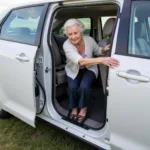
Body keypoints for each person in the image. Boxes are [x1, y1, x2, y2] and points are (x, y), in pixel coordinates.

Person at [63, 18, 119, 123]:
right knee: (72, 88)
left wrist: (103, 50)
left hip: (90, 68)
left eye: (76, 33)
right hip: (73, 69)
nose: (73, 37)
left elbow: (97, 50)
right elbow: (80, 61)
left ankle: (83, 108)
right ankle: (74, 108)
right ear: (67, 35)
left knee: (84, 86)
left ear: (81, 31)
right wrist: (101, 60)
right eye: (70, 34)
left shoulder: (89, 40)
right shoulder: (67, 45)